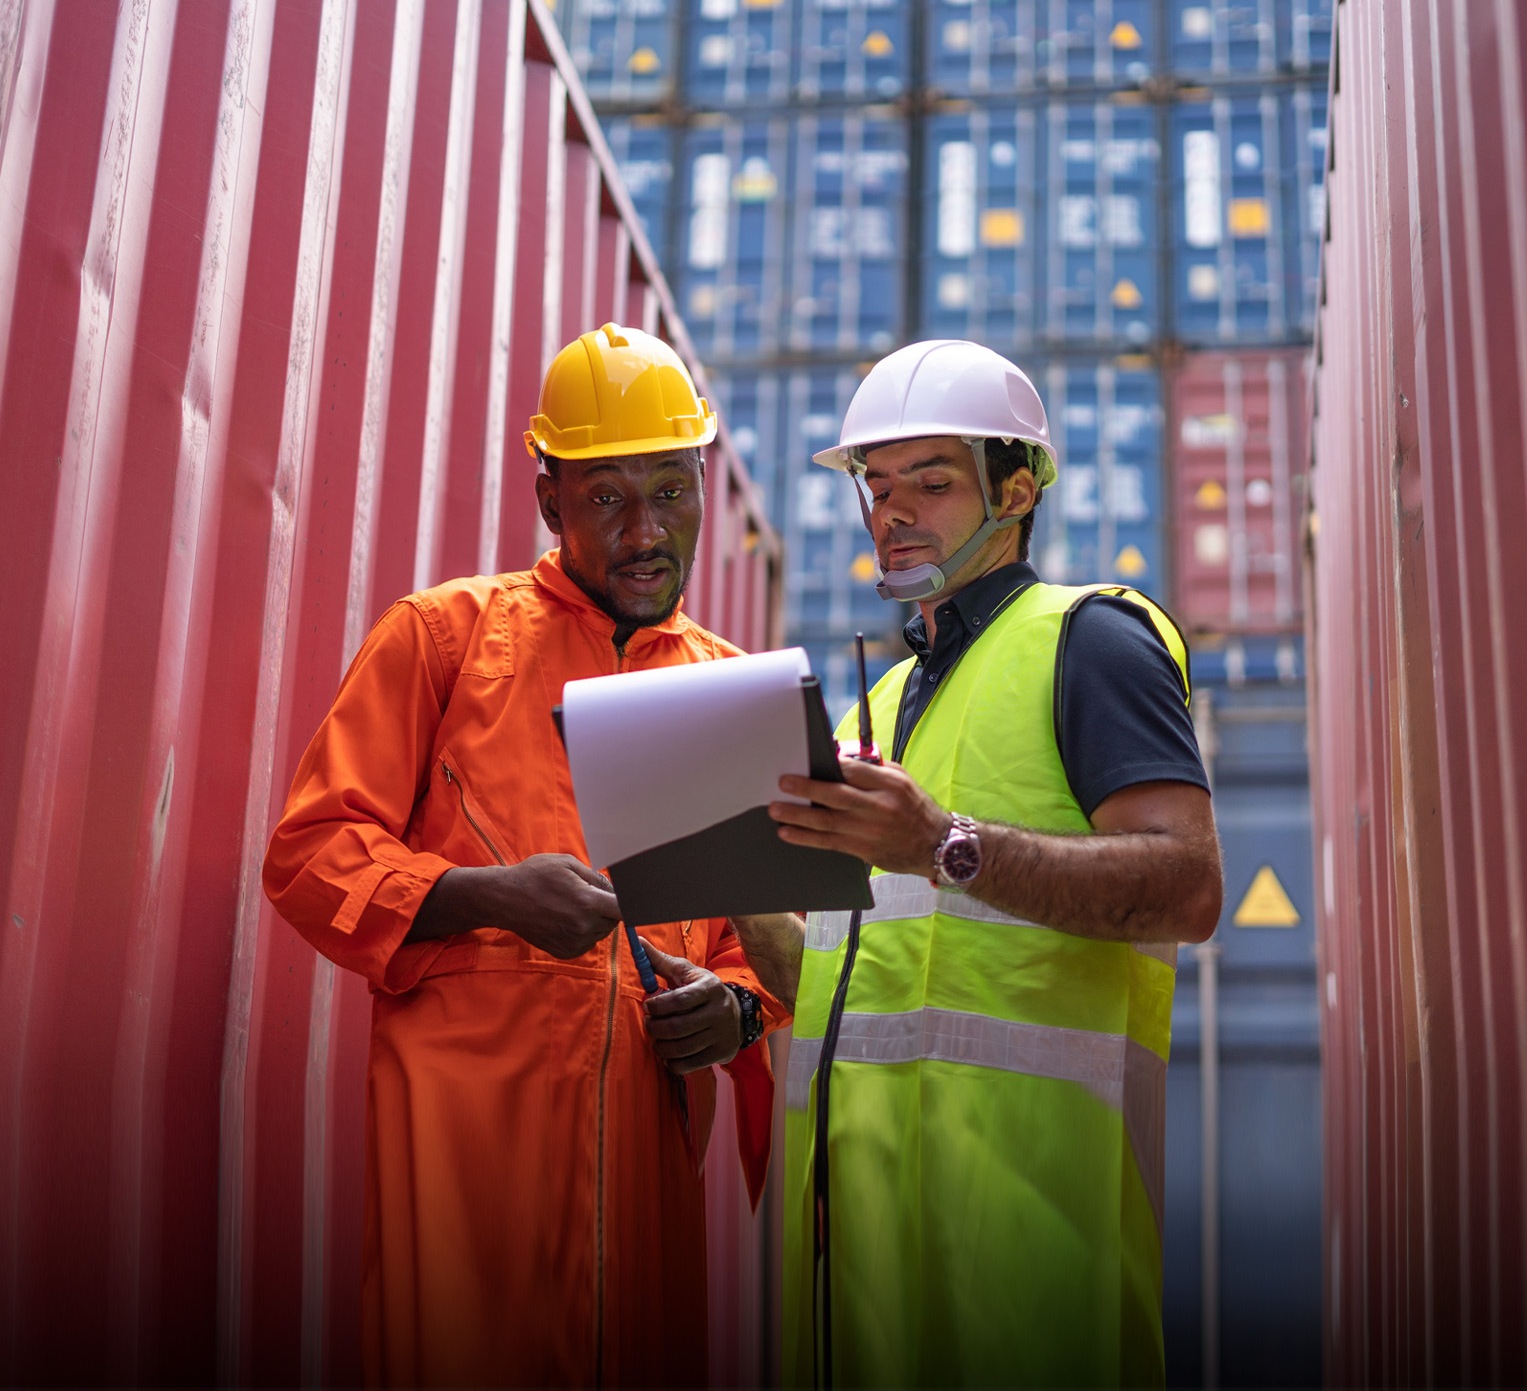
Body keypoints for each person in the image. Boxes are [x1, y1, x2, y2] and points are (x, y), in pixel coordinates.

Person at [263, 323, 787, 1390]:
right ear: (551, 500)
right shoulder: (444, 641)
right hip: (459, 1181)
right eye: (607, 498)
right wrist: (483, 896)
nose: (647, 532)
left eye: (673, 492)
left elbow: (777, 960)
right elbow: (311, 852)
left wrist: (731, 1011)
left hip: (646, 1204)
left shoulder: (732, 696)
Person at [728, 339, 1224, 1388]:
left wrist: (943, 844)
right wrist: (714, 882)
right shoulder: (865, 718)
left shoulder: (1091, 641)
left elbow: (1187, 888)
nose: (890, 511)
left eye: (931, 481)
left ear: (1018, 488)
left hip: (1035, 1254)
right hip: (853, 1278)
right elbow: (832, 985)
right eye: (875, 483)